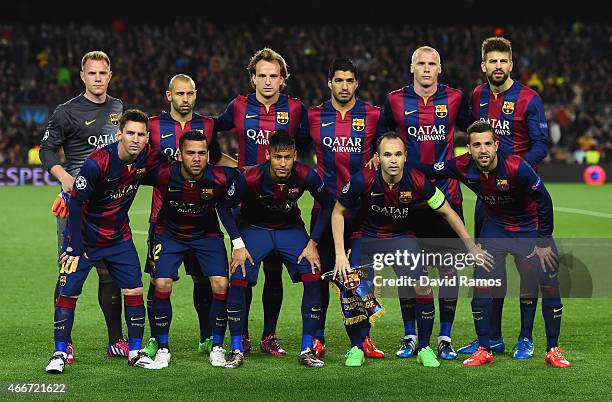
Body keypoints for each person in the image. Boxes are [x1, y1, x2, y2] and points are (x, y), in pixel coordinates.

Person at [418, 121, 569, 368]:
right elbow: (428, 169)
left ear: (496, 145)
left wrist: (542, 241)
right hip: (495, 228)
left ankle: (552, 348)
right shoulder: (462, 165)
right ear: (468, 148)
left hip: (528, 228)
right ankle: (485, 347)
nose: (483, 150)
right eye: (477, 145)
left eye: (488, 144)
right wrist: (391, 161)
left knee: (549, 281)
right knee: (482, 283)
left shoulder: (517, 167)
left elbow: (544, 200)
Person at [332, 132, 491, 367]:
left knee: (422, 285)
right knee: (355, 286)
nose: (393, 160)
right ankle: (357, 346)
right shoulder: (362, 180)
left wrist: (470, 245)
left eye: (398, 154)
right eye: (387, 155)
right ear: (378, 158)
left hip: (400, 237)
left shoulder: (417, 180)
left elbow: (447, 211)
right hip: (367, 238)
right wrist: (339, 255)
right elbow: (337, 213)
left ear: (406, 156)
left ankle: (424, 347)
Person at [45, 109, 168, 374]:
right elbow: (76, 203)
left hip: (119, 239)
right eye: (130, 133)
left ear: (147, 138)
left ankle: (135, 352)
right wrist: (73, 247)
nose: (135, 139)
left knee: (134, 291)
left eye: (141, 134)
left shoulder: (148, 157)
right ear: (119, 134)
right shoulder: (96, 163)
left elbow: (170, 166)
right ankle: (59, 352)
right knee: (68, 294)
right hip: (85, 240)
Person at [215, 47, 309, 355]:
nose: (267, 82)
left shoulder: (295, 109)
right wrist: (226, 163)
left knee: (274, 270)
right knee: (244, 269)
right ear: (252, 78)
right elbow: (209, 130)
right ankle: (239, 336)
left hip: (280, 203)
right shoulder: (239, 106)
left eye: (274, 76)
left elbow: (309, 142)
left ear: (283, 80)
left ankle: (269, 335)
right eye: (262, 76)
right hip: (245, 203)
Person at [461, 37, 549, 357]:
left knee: (528, 273)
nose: (498, 66)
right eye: (492, 61)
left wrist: (516, 170)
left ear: (511, 64)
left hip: (522, 201)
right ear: (484, 65)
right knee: (489, 272)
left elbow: (542, 144)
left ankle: (525, 338)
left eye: (503, 61)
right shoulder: (478, 94)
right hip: (490, 203)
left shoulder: (529, 98)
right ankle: (491, 338)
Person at [382, 46, 471, 359]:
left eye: (432, 64)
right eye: (421, 63)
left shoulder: (456, 98)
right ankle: (410, 335)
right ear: (412, 67)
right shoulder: (394, 100)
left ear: (440, 68)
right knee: (408, 271)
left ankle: (444, 337)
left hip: (447, 195)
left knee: (447, 271)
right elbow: (381, 135)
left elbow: (474, 131)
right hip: (407, 199)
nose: (426, 69)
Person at [217, 131, 333, 369]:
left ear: (295, 156)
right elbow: (224, 206)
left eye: (288, 157)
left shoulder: (305, 175)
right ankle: (237, 347)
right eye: (277, 157)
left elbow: (329, 203)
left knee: (313, 272)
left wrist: (313, 243)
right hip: (254, 229)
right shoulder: (251, 178)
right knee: (238, 275)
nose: (282, 163)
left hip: (290, 229)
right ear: (268, 154)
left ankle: (307, 348)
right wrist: (238, 244)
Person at [40, 50, 127, 362]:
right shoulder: (66, 112)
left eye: (103, 73)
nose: (98, 78)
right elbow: (47, 151)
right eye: (92, 73)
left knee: (110, 272)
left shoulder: (118, 107)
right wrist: (63, 176)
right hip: (77, 205)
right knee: (69, 271)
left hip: (108, 207)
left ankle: (116, 340)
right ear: (83, 76)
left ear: (110, 75)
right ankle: (65, 342)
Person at [143, 74, 234, 359]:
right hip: (163, 217)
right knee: (158, 280)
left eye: (190, 94)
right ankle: (156, 340)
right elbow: (141, 163)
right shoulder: (153, 126)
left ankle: (207, 336)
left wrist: (248, 171)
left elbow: (216, 159)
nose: (185, 99)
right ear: (169, 96)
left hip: (201, 218)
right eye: (180, 94)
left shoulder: (207, 125)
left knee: (201, 280)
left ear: (195, 95)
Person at [303, 57, 386, 358]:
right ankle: (318, 337)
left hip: (362, 213)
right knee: (319, 278)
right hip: (324, 211)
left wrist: (378, 154)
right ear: (329, 83)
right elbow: (291, 146)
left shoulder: (373, 115)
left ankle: (363, 339)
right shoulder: (313, 116)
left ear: (357, 84)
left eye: (350, 80)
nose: (344, 86)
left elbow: (390, 143)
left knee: (364, 278)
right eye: (339, 80)